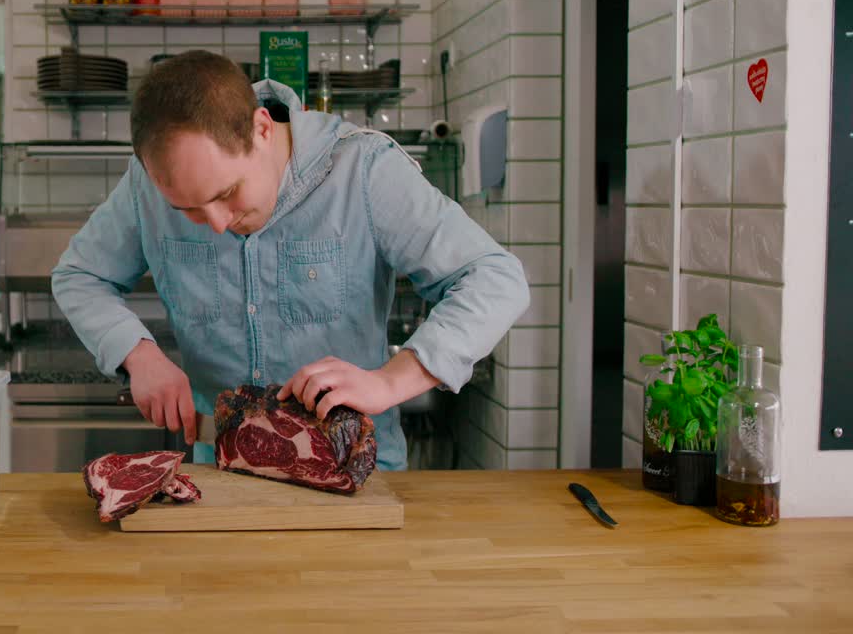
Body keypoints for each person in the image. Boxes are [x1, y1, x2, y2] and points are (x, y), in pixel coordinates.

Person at [51, 50, 529, 470]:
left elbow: (494, 278)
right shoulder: (146, 184)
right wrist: (138, 355)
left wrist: (391, 380)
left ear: (261, 128)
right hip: (223, 471)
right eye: (188, 210)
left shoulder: (363, 169)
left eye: (228, 193)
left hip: (354, 472)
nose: (216, 223)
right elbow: (79, 275)